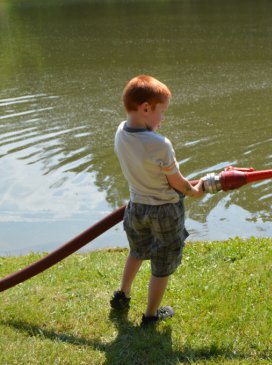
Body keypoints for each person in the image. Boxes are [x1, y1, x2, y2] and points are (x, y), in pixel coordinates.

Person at [110, 75, 204, 327]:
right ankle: (151, 315)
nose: (163, 119)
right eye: (162, 112)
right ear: (145, 108)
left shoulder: (120, 132)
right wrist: (195, 191)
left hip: (135, 209)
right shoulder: (160, 144)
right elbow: (177, 183)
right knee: (161, 264)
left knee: (137, 252)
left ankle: (123, 295)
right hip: (164, 212)